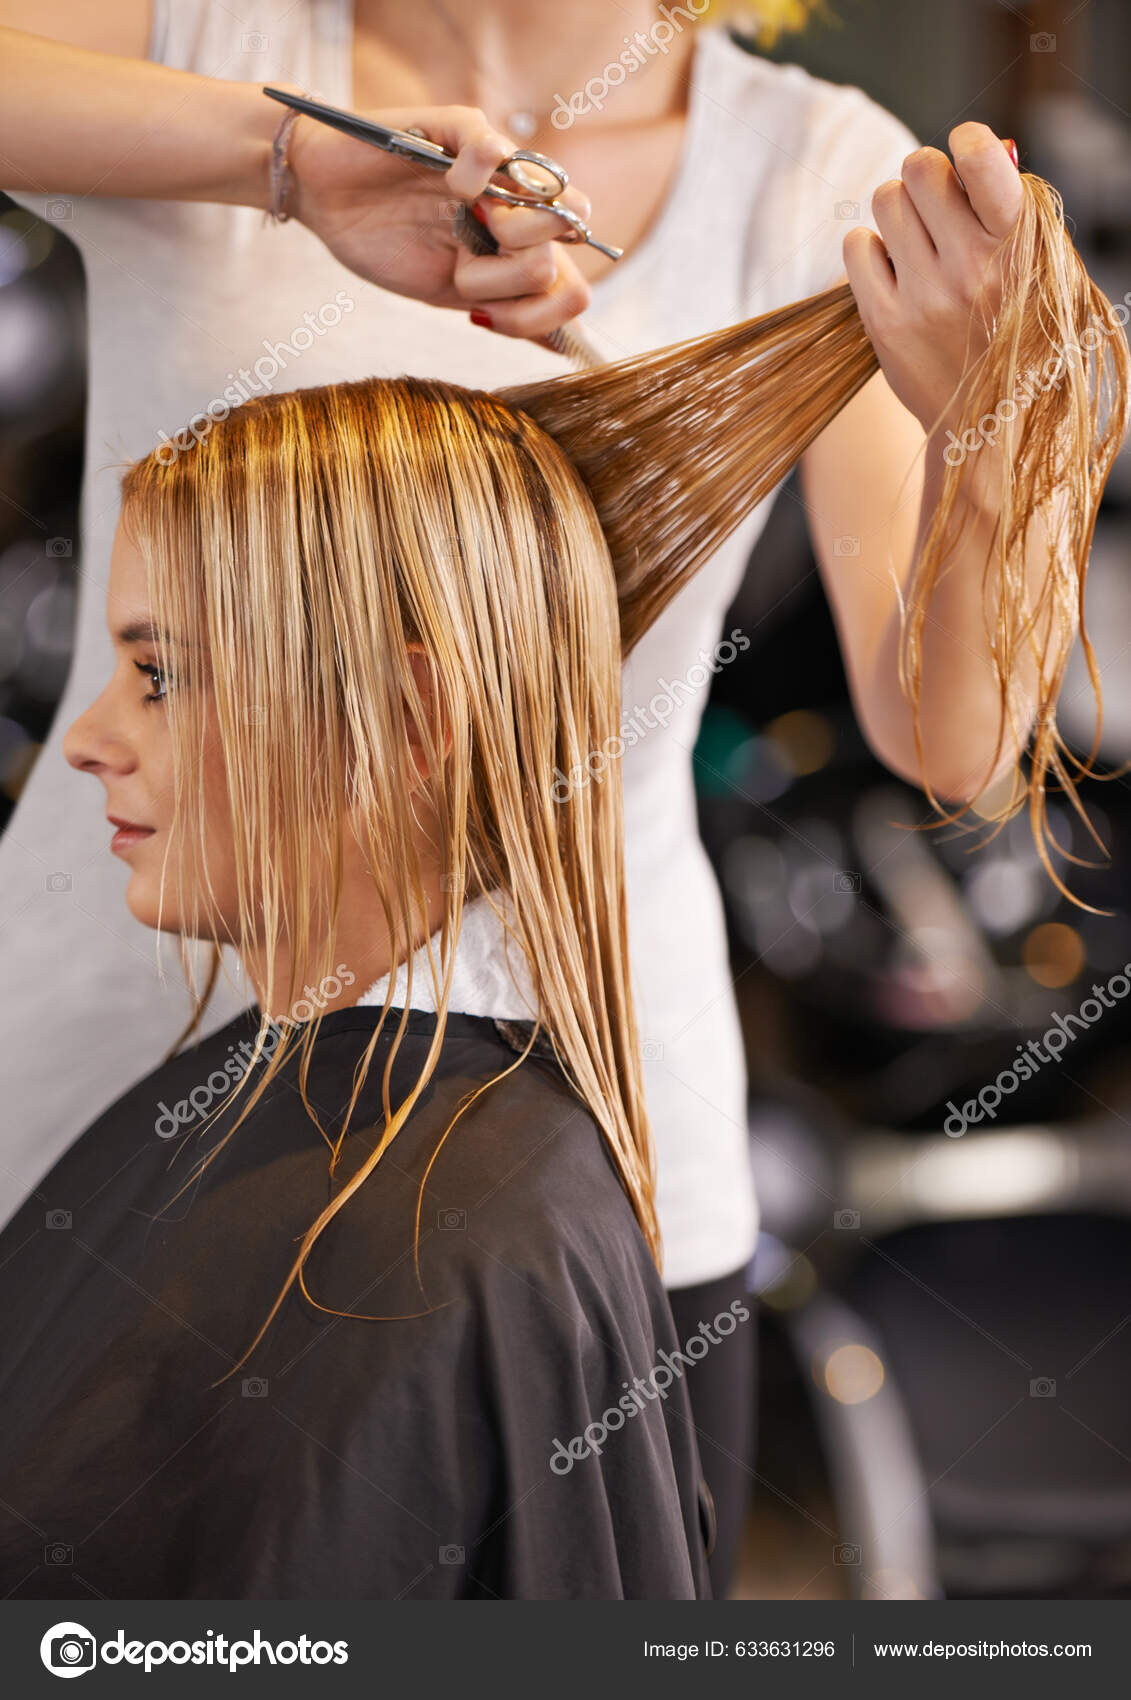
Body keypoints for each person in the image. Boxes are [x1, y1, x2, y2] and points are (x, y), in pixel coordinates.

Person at [0, 0, 1025, 1594]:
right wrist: (282, 158)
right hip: (103, 1023)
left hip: (569, 1098)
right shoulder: (197, 28)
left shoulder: (814, 173)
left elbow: (947, 738)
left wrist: (983, 422)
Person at [0, 369, 731, 1600]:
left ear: (405, 714)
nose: (87, 737)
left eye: (161, 675)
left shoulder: (469, 1243)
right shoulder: (276, 1112)